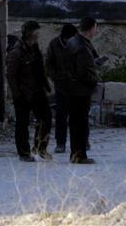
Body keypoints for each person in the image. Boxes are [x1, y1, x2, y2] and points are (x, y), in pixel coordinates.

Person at [6, 21, 52, 162]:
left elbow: (39, 68)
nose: (38, 35)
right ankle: (24, 152)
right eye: (36, 32)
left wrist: (46, 84)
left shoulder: (34, 48)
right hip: (23, 93)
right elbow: (11, 76)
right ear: (30, 34)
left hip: (37, 90)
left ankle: (40, 147)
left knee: (46, 118)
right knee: (22, 123)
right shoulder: (16, 52)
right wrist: (17, 94)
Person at [66, 16, 102, 164]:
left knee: (76, 123)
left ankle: (77, 153)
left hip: (74, 88)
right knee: (79, 123)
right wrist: (94, 79)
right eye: (96, 27)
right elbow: (82, 71)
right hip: (80, 90)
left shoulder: (73, 41)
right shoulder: (81, 45)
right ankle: (79, 155)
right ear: (92, 28)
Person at [45, 22, 77, 154]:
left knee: (78, 115)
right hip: (61, 85)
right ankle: (60, 143)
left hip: (77, 85)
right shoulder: (54, 45)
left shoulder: (78, 43)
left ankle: (81, 141)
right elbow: (49, 63)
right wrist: (56, 77)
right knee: (61, 115)